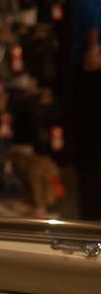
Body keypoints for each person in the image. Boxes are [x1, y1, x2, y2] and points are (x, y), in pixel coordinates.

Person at [72, 0, 101, 218]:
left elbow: (89, 9)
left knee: (91, 152)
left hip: (93, 67)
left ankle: (92, 219)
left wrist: (93, 45)